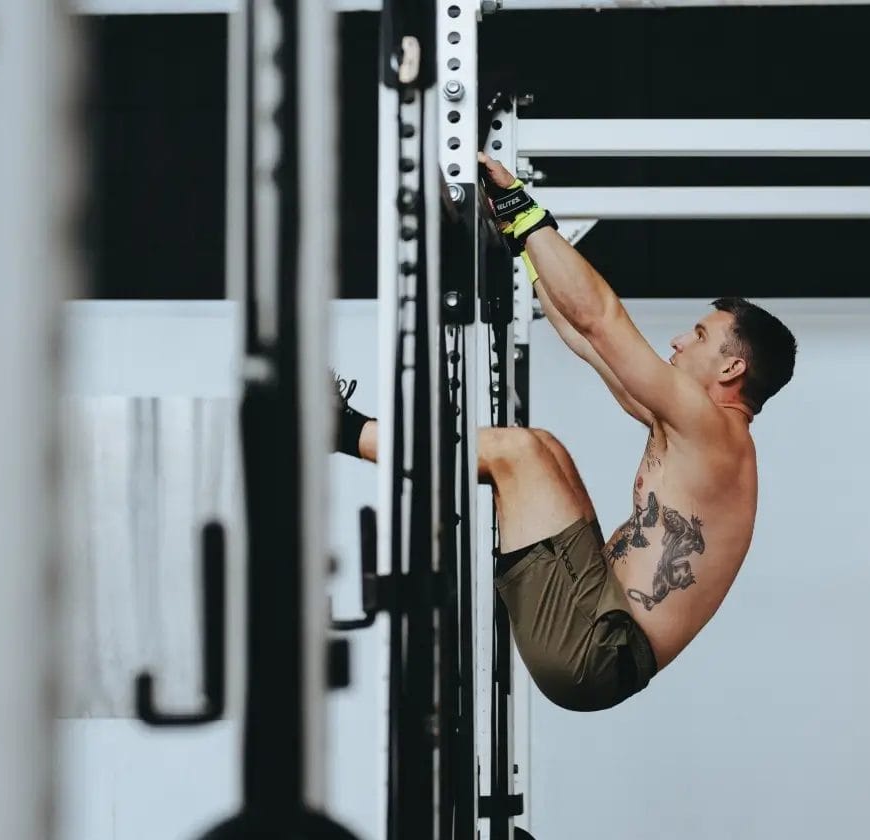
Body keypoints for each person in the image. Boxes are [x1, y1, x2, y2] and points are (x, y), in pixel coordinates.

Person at [332, 154, 797, 712]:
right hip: (601, 622)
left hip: (594, 655)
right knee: (547, 449)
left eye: (698, 335)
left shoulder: (719, 435)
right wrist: (519, 243)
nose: (677, 341)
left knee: (520, 454)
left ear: (731, 369)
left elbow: (603, 316)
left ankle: (342, 429)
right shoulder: (688, 429)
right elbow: (585, 335)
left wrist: (520, 206)